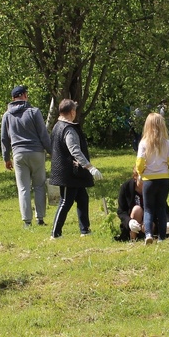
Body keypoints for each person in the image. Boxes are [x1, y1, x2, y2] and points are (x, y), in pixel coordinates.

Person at [1, 85, 53, 228]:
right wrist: (52, 152)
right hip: (36, 152)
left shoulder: (7, 115)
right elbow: (43, 134)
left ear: (13, 98)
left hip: (18, 153)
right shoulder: (34, 112)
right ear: (24, 95)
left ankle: (27, 221)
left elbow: (4, 138)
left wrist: (6, 158)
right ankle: (40, 218)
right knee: (39, 185)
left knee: (23, 188)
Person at [49, 99, 102, 238]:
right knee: (66, 201)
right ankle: (55, 233)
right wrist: (90, 168)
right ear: (72, 112)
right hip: (68, 173)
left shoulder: (57, 125)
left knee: (83, 198)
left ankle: (85, 230)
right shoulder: (68, 129)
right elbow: (75, 151)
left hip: (74, 173)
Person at [135, 111, 169, 243]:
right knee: (161, 207)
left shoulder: (143, 143)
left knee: (148, 208)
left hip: (149, 180)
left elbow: (140, 162)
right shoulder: (167, 143)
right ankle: (162, 237)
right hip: (163, 179)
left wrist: (139, 173)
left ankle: (148, 234)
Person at [116, 172, 169, 241]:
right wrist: (129, 222)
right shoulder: (126, 187)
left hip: (150, 223)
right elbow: (121, 211)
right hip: (134, 221)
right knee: (137, 209)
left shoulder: (154, 187)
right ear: (135, 177)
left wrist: (167, 222)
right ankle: (133, 239)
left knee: (149, 225)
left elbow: (163, 207)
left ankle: (148, 236)